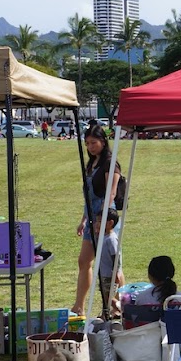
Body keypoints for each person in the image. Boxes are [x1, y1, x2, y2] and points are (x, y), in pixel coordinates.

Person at [73, 125, 125, 316]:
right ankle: (79, 306)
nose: (90, 147)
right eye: (87, 143)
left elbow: (111, 193)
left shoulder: (110, 163)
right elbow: (88, 196)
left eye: (94, 143)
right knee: (84, 261)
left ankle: (116, 306)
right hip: (91, 219)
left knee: (111, 266)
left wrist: (100, 220)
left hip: (106, 221)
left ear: (103, 142)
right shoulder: (91, 164)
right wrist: (84, 220)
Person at [93, 208, 121, 318]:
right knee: (105, 296)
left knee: (108, 297)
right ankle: (105, 314)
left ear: (110, 223)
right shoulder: (103, 237)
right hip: (103, 273)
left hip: (110, 275)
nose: (97, 224)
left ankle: (120, 309)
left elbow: (116, 257)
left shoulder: (111, 239)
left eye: (100, 221)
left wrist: (116, 271)